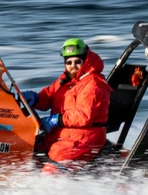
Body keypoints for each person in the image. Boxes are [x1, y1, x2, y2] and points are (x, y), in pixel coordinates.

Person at [21, 37, 113, 172]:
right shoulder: (66, 79)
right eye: (69, 62)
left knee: (52, 169)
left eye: (77, 62)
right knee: (24, 150)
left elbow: (84, 116)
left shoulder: (93, 84)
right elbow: (48, 96)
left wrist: (56, 119)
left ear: (85, 60)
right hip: (61, 135)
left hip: (83, 138)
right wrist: (35, 98)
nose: (73, 66)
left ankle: (48, 190)